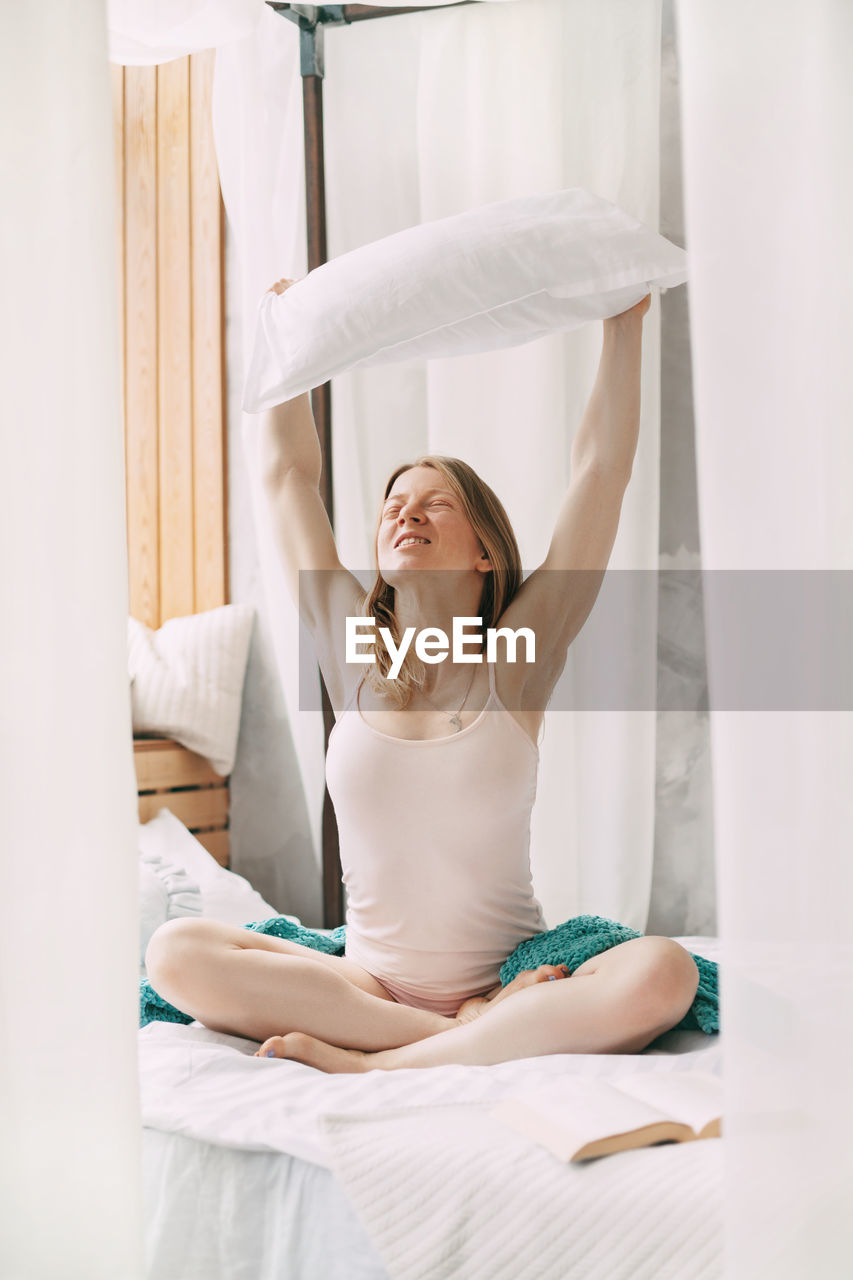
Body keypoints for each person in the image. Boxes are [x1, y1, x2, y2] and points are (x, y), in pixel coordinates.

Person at [144, 284, 699, 1074]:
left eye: (434, 504)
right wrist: (285, 339)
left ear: (484, 552)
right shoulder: (353, 649)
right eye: (393, 505)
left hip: (508, 971)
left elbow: (600, 473)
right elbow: (285, 478)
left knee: (662, 971)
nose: (405, 514)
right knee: (174, 951)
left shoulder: (517, 657)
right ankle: (459, 1039)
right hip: (364, 982)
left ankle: (375, 1062)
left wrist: (622, 326)